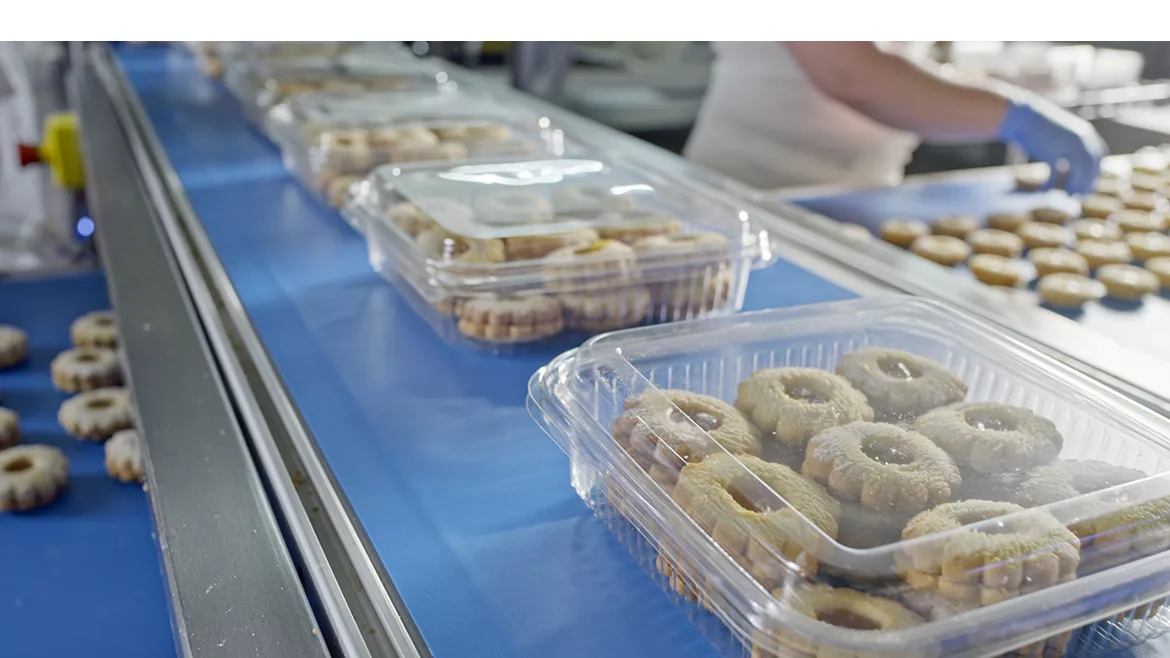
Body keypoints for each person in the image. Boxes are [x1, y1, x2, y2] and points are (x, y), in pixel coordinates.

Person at [684, 42, 1108, 193]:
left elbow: (897, 62)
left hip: (858, 197)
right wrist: (1015, 114)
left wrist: (981, 92)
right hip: (752, 189)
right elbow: (847, 70)